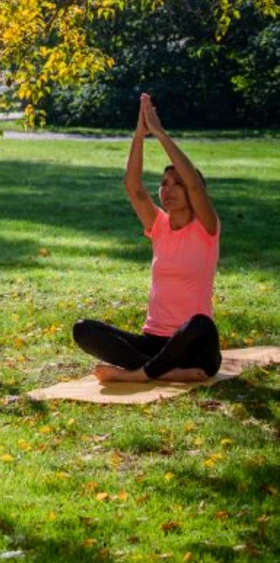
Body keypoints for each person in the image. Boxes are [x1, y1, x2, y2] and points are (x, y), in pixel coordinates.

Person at [73, 93, 221, 383]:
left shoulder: (207, 228)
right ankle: (163, 372)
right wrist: (139, 135)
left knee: (200, 323)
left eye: (177, 184)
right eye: (164, 183)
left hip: (194, 344)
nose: (168, 189)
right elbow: (133, 187)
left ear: (194, 192)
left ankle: (141, 374)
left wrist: (160, 133)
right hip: (154, 341)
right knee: (83, 329)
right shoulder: (159, 225)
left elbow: (193, 182)